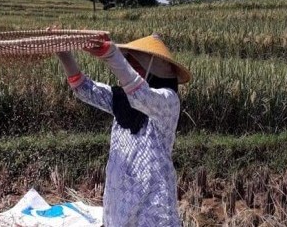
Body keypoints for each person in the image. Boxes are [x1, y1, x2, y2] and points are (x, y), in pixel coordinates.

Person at [56, 33, 191, 227]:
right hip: (119, 195)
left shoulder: (168, 101)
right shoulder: (121, 100)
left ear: (156, 69)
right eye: (129, 60)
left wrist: (112, 56)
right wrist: (64, 55)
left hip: (152, 202)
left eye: (138, 63)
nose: (131, 65)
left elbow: (141, 95)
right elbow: (85, 89)